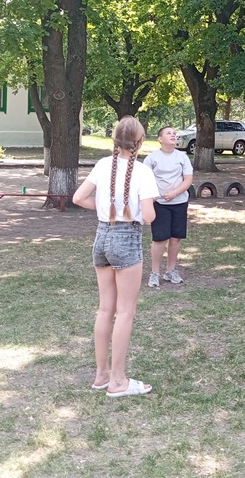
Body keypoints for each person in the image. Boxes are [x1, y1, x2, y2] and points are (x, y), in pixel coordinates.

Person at [72, 116, 160, 398]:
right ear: (140, 141)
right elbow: (149, 216)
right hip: (127, 238)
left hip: (102, 235)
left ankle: (102, 375)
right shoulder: (143, 172)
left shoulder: (102, 164)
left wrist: (103, 208)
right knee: (125, 312)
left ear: (115, 140)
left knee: (104, 310)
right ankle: (118, 381)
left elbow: (78, 198)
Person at [143, 126, 194, 288]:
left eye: (174, 133)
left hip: (179, 203)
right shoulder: (152, 158)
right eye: (168, 133)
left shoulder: (182, 157)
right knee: (159, 238)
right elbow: (144, 181)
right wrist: (151, 198)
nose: (173, 135)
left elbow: (188, 179)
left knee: (176, 237)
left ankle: (171, 270)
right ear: (160, 139)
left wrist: (175, 193)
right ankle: (155, 273)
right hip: (160, 204)